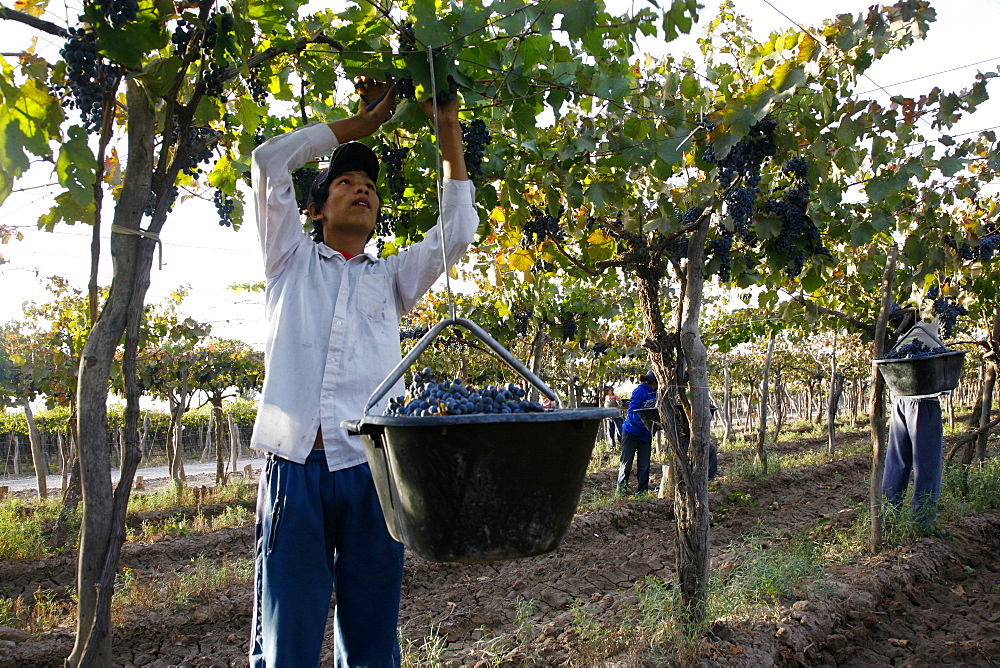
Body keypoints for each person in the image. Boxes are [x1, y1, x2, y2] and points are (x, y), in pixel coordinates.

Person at [247, 78, 477, 667]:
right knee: (287, 638)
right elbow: (268, 160)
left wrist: (448, 132)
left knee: (373, 636)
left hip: (373, 471)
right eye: (345, 182)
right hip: (295, 467)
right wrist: (358, 127)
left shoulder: (390, 278)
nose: (361, 191)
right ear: (316, 209)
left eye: (370, 186)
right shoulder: (288, 258)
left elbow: (457, 233)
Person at [881, 322, 947, 530]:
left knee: (896, 461)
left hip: (900, 400)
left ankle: (887, 518)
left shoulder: (903, 333)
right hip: (924, 404)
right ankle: (922, 523)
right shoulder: (930, 336)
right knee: (927, 465)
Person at [618, 372, 657, 495]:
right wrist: (645, 424)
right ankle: (621, 491)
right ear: (655, 381)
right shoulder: (640, 391)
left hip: (646, 434)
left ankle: (642, 491)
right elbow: (633, 412)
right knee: (626, 463)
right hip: (632, 432)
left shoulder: (658, 392)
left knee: (644, 464)